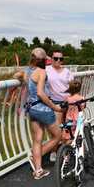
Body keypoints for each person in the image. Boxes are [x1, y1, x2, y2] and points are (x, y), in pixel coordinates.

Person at [25, 48, 63, 179]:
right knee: (58, 136)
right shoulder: (41, 72)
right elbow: (41, 93)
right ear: (43, 60)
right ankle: (36, 156)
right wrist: (55, 107)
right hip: (43, 109)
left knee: (37, 138)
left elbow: (27, 84)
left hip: (32, 109)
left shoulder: (29, 71)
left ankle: (38, 170)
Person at [45, 49, 74, 161]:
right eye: (55, 58)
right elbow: (33, 76)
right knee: (57, 130)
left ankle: (66, 151)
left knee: (68, 128)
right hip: (56, 104)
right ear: (51, 59)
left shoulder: (67, 71)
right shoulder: (46, 70)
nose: (58, 60)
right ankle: (54, 151)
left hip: (68, 103)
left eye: (60, 59)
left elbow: (72, 87)